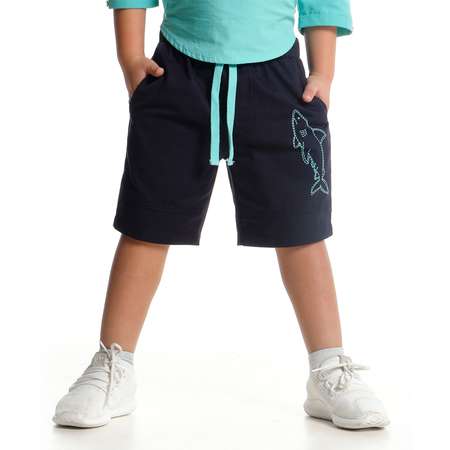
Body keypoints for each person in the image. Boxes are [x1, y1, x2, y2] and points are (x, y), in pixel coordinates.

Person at [53, 0, 389, 430]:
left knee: (300, 230)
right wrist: (130, 56)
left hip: (279, 81)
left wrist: (323, 72)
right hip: (176, 73)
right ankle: (113, 363)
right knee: (147, 223)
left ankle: (329, 367)